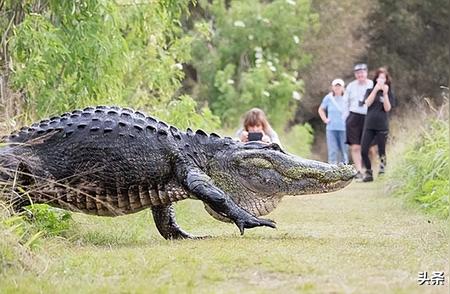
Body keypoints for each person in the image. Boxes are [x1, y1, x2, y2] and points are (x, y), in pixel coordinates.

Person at [360, 67, 395, 182]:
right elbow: (367, 103)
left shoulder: (388, 92)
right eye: (379, 77)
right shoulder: (370, 90)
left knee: (381, 151)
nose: (381, 80)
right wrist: (375, 90)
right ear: (376, 79)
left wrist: (384, 94)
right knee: (364, 150)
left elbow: (387, 108)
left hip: (382, 125)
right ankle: (369, 173)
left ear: (386, 80)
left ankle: (382, 170)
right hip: (369, 124)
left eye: (383, 78)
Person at [343, 63, 374, 179]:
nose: (360, 74)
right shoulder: (351, 86)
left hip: (368, 117)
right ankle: (359, 171)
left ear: (366, 72)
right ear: (355, 74)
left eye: (362, 72)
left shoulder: (372, 84)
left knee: (369, 147)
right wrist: (345, 119)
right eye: (358, 73)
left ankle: (369, 170)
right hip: (354, 117)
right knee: (355, 147)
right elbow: (345, 103)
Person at [318, 78, 349, 164]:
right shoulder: (328, 98)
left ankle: (345, 168)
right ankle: (332, 168)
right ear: (332, 87)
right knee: (333, 149)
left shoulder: (347, 97)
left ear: (343, 87)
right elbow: (321, 109)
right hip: (331, 128)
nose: (337, 88)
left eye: (339, 86)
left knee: (344, 150)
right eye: (336, 86)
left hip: (344, 128)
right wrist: (325, 119)